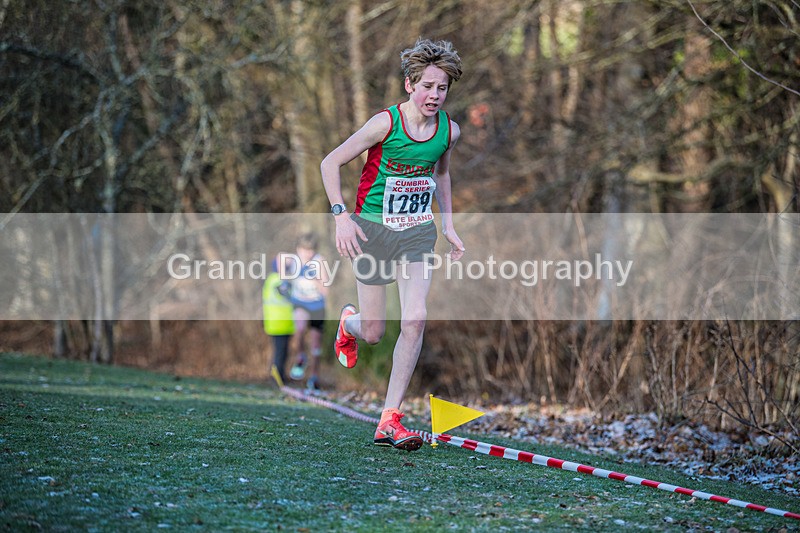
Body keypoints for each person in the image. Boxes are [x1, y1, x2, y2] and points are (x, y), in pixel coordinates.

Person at [320, 38, 466, 451]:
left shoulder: (449, 132)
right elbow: (330, 162)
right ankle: (347, 324)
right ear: (409, 85)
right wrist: (340, 216)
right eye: (427, 87)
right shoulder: (384, 124)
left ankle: (390, 418)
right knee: (372, 333)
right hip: (371, 233)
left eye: (442, 88)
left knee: (416, 318)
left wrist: (449, 225)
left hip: (418, 233)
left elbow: (441, 176)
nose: (434, 96)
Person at [282, 232, 328, 391]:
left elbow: (325, 290)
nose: (307, 254)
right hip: (300, 303)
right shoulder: (293, 260)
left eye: (310, 250)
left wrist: (315, 279)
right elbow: (279, 259)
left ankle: (314, 376)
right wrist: (284, 280)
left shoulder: (319, 261)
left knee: (316, 344)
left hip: (316, 305)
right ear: (298, 249)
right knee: (299, 329)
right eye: (303, 250)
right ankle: (300, 357)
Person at [262, 258, 295, 385]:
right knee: (280, 353)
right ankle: (276, 378)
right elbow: (287, 294)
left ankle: (280, 377)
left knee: (283, 352)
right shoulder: (277, 280)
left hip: (282, 323)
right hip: (278, 323)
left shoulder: (274, 279)